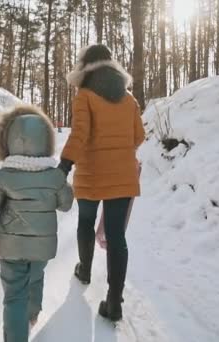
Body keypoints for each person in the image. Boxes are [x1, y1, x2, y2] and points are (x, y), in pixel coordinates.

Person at [0, 105, 74, 342]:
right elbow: (66, 205)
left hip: (11, 249)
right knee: (36, 277)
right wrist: (62, 182)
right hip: (42, 248)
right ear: (46, 141)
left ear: (8, 142)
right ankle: (32, 315)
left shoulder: (4, 177)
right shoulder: (55, 177)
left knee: (13, 296)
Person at [58, 44, 145, 322]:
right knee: (117, 236)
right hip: (122, 176)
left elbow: (80, 135)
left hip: (91, 175)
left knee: (85, 221)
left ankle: (84, 270)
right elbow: (138, 137)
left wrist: (65, 164)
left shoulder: (84, 95)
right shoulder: (129, 99)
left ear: (85, 66)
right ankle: (114, 302)